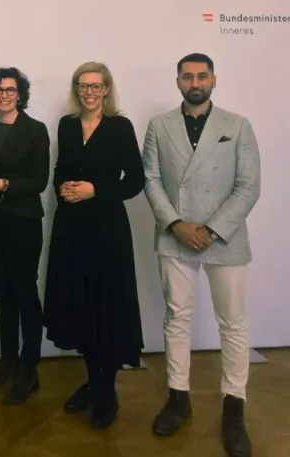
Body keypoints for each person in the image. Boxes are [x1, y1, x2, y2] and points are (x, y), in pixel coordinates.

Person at [142, 53, 260, 457]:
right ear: (178, 81)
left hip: (225, 237)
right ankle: (178, 397)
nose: (196, 82)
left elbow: (248, 186)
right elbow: (151, 180)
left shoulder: (237, 125)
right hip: (175, 234)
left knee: (233, 323)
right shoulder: (159, 126)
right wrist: (176, 224)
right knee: (177, 317)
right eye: (188, 76)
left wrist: (210, 230)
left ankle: (234, 406)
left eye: (202, 76)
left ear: (213, 80)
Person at [42, 62, 146, 428]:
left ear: (106, 89)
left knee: (106, 306)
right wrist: (62, 187)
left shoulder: (120, 127)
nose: (89, 92)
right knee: (80, 305)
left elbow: (135, 181)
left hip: (107, 230)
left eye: (96, 86)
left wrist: (94, 190)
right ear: (77, 89)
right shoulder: (66, 125)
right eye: (83, 85)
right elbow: (60, 170)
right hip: (71, 228)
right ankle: (92, 381)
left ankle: (106, 390)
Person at [0, 67, 50, 405]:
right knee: (1, 292)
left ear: (20, 95)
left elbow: (39, 181)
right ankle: (8, 363)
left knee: (24, 293)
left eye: (10, 90)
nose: (4, 95)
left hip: (23, 221)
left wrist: (6, 184)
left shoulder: (36, 129)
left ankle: (29, 369)